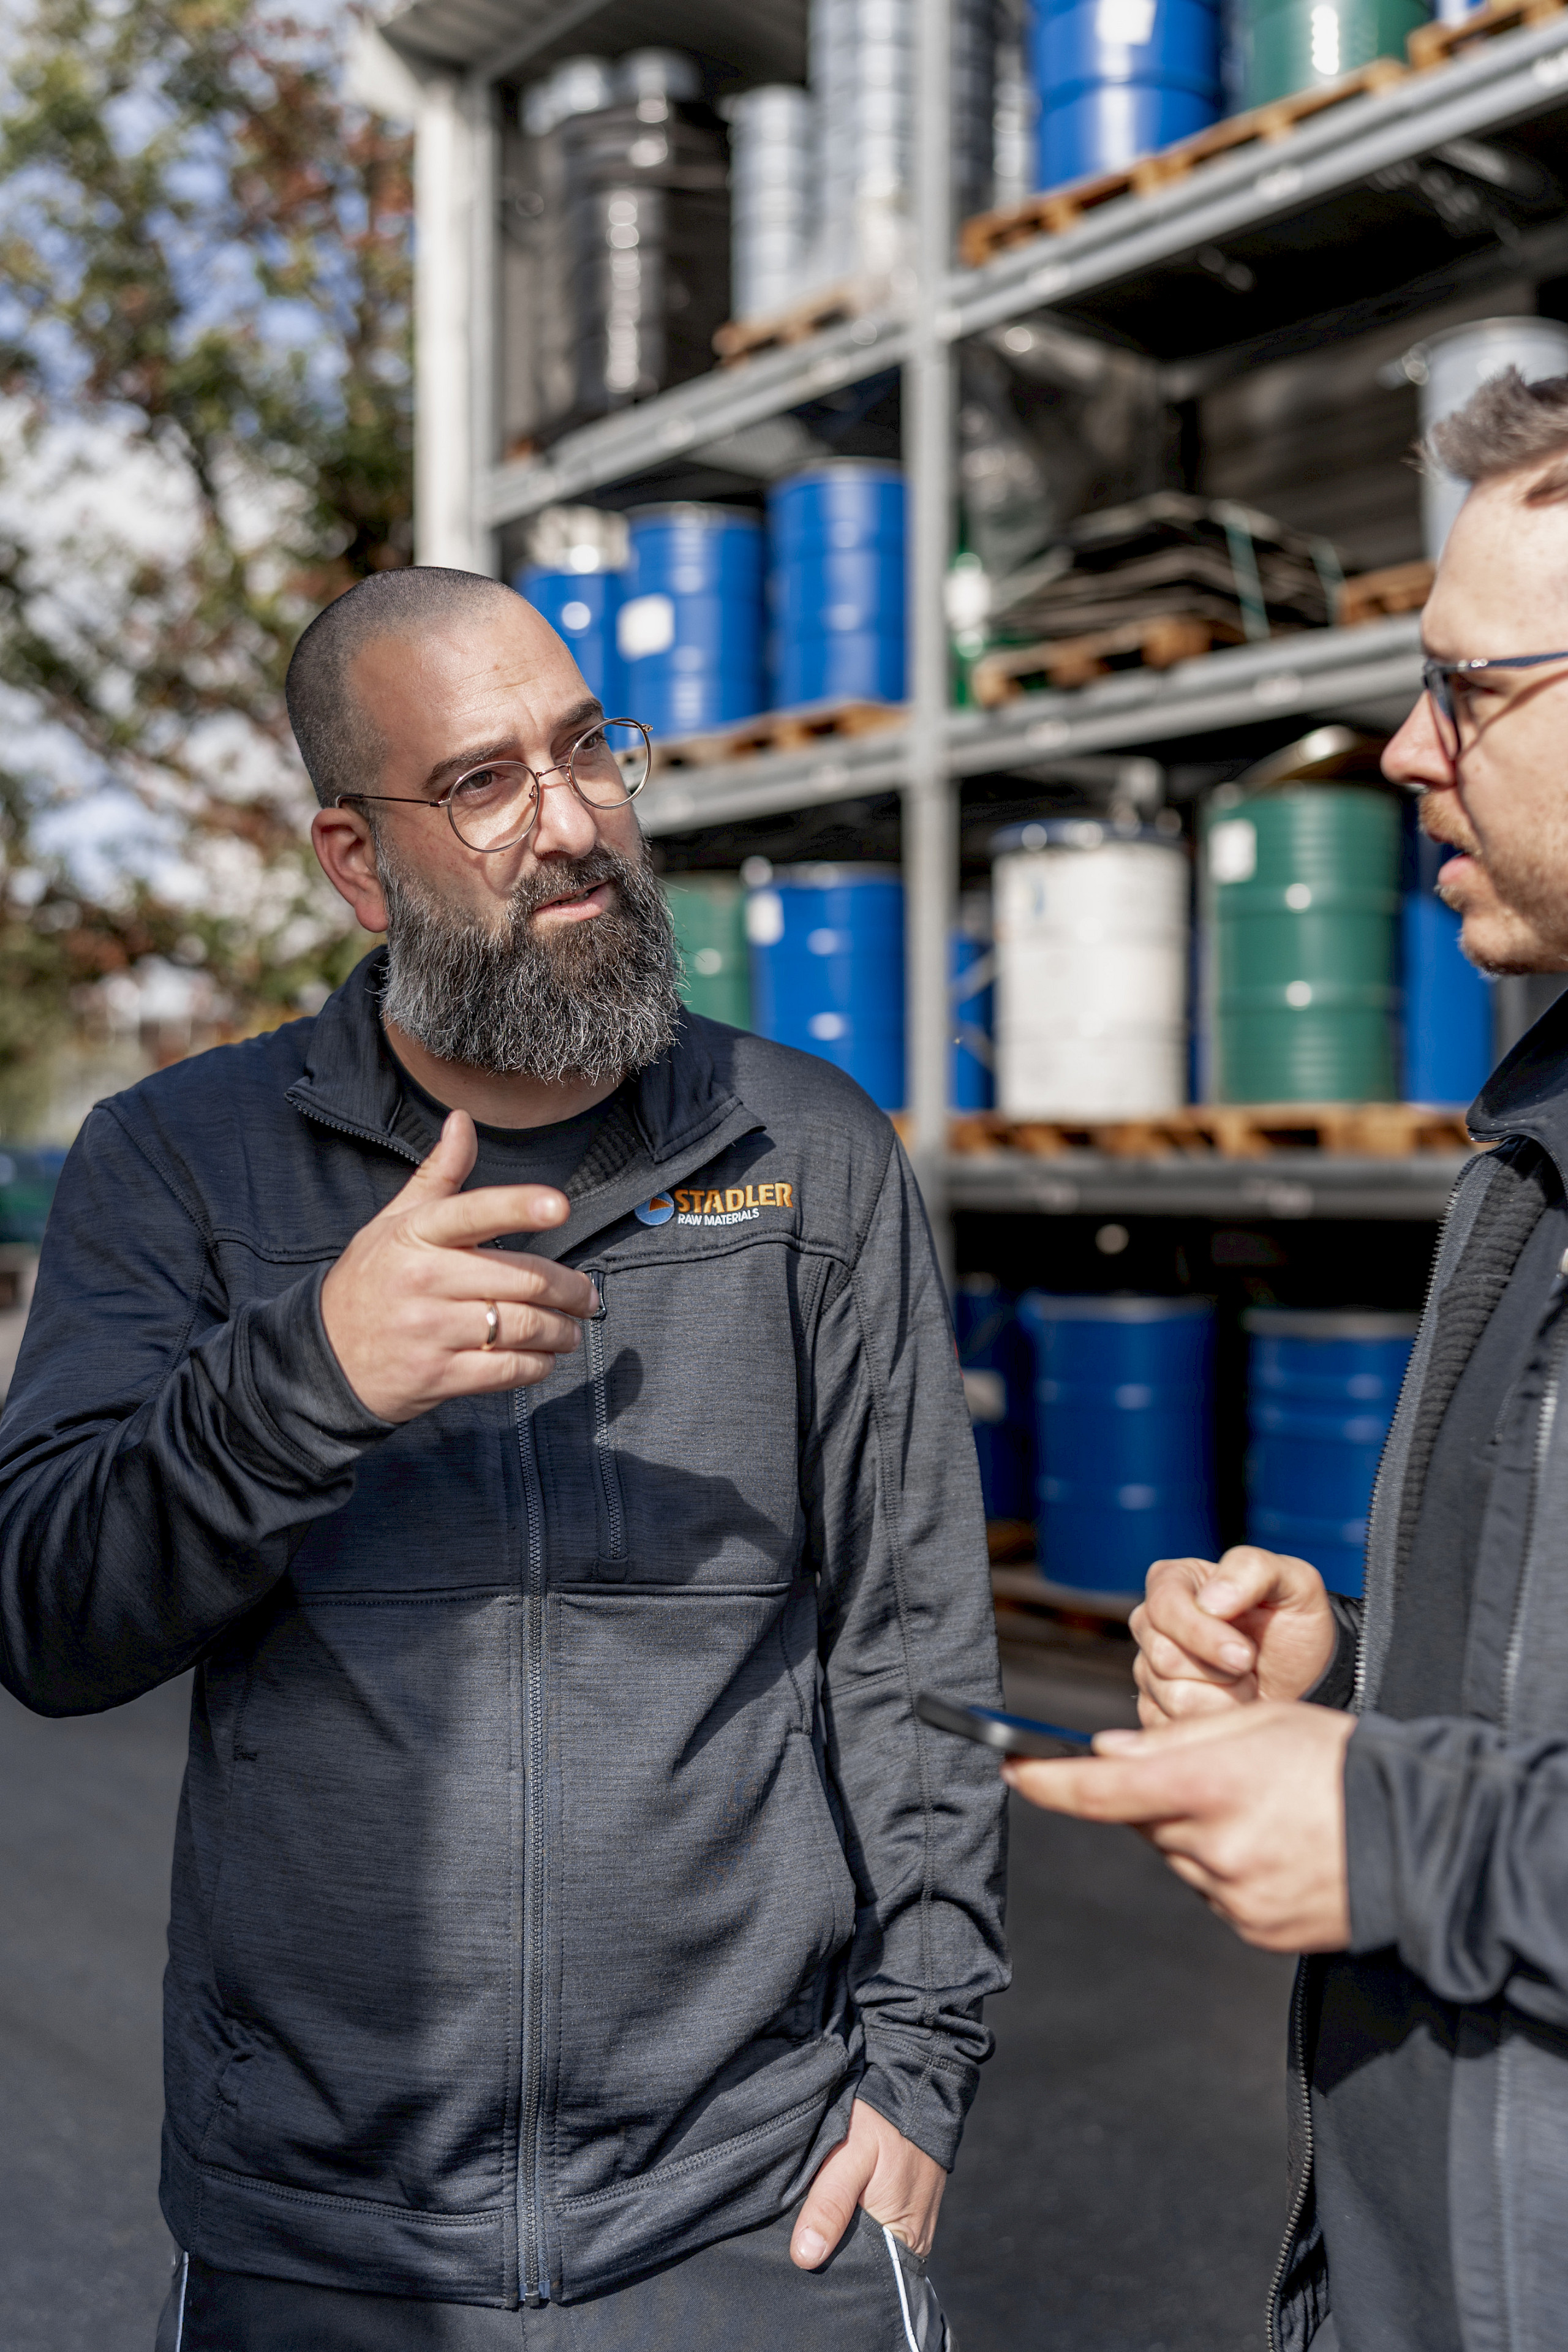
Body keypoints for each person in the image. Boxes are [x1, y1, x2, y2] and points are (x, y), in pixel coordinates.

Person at [0, 568, 1008, 2351]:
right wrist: (309, 1375)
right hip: (320, 2236)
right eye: (482, 782)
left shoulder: (811, 1153)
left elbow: (912, 1655)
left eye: (587, 752)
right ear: (354, 860)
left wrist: (919, 2073)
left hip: (750, 2215)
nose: (571, 825)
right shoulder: (178, 1163)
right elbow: (50, 1614)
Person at [1000, 366, 1568, 2352]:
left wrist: (1401, 1827)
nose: (1409, 752)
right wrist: (1341, 1665)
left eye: (1471, 691)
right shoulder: (1531, 1151)